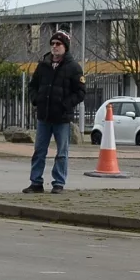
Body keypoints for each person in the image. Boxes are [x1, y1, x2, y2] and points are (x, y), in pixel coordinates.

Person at [23, 29, 85, 194]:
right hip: (44, 116)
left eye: (58, 44)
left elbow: (80, 92)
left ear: (65, 47)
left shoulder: (73, 68)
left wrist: (65, 104)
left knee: (62, 152)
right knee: (39, 151)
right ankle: (36, 182)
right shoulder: (43, 66)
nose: (55, 47)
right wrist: (36, 99)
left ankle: (59, 183)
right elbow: (33, 86)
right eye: (52, 44)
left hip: (62, 118)